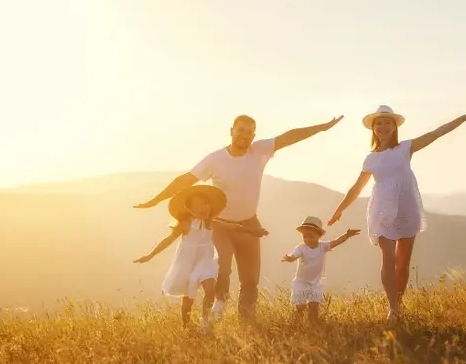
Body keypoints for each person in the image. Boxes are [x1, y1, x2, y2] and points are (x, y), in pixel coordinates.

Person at [134, 114, 344, 322]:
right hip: (220, 226)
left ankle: (247, 321)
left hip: (249, 223)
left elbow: (289, 137)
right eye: (241, 130)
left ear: (254, 136)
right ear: (231, 131)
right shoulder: (215, 159)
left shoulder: (259, 151)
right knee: (222, 271)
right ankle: (217, 314)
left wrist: (322, 128)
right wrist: (156, 199)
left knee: (250, 279)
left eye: (250, 132)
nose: (245, 135)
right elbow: (186, 180)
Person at [328, 104, 466, 321]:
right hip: (382, 209)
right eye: (379, 123)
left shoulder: (405, 148)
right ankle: (392, 308)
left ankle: (398, 305)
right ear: (373, 129)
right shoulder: (370, 159)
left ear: (394, 127)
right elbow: (356, 188)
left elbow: (437, 133)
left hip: (406, 207)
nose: (383, 126)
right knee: (388, 257)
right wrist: (339, 210)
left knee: (402, 263)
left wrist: (464, 118)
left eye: (387, 122)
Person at [134, 184, 268, 331]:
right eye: (198, 205)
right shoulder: (185, 225)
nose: (204, 207)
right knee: (188, 298)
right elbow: (167, 240)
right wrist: (150, 255)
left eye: (206, 203)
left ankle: (205, 323)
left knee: (210, 291)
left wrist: (253, 230)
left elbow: (234, 227)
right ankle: (185, 325)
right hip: (187, 263)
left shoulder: (213, 223)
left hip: (206, 261)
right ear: (188, 209)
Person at [281, 216, 360, 323]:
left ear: (319, 236)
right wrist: (289, 258)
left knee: (314, 306)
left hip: (315, 282)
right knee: (300, 307)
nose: (307, 239)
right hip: (301, 282)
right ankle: (296, 325)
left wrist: (347, 235)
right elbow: (294, 255)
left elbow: (336, 242)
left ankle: (313, 326)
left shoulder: (323, 247)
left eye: (311, 236)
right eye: (304, 236)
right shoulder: (301, 248)